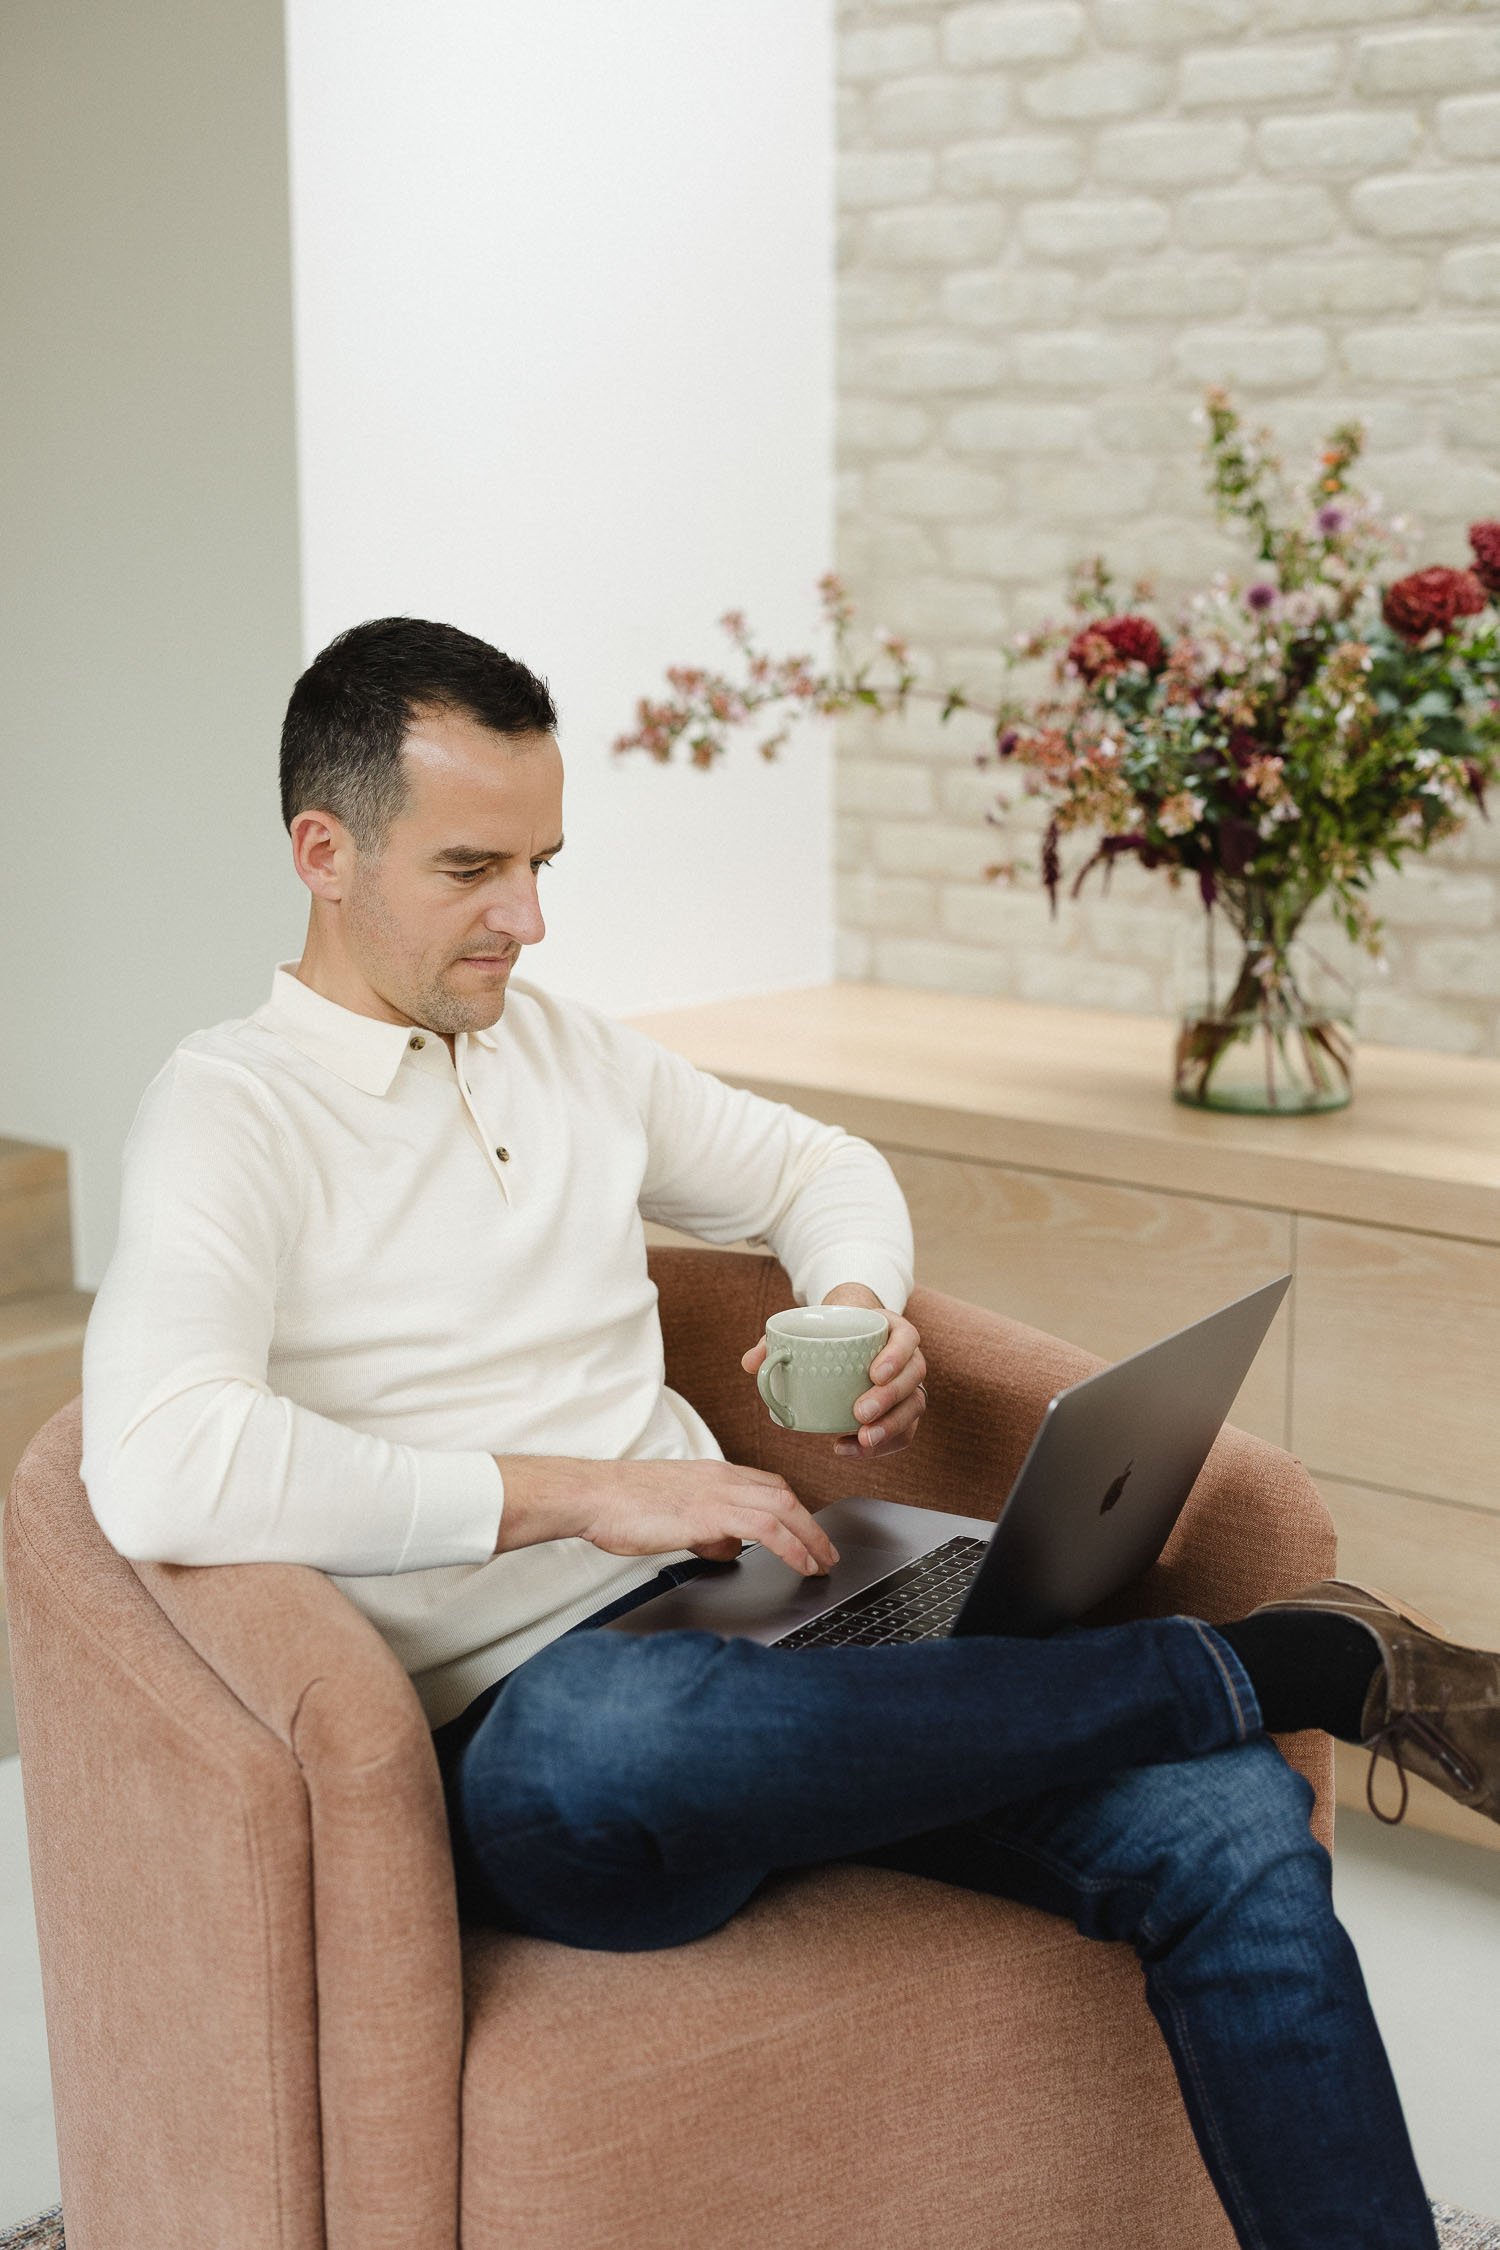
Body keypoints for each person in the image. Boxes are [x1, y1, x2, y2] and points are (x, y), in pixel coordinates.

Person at [80, 616, 1498, 2250]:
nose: (526, 920)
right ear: (322, 852)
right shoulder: (230, 1107)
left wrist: (856, 1299)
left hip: (783, 1629)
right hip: (543, 1734)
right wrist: (582, 1495)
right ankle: (1287, 1663)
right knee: (610, 1726)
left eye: (543, 861)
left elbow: (823, 1168)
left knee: (1234, 1823)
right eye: (473, 868)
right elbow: (159, 1457)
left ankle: (1238, 1714)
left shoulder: (565, 1051)